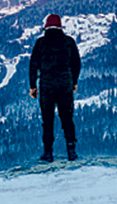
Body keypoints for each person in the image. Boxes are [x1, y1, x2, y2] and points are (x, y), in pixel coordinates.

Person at [29, 13, 81, 162]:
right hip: (65, 84)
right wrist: (74, 82)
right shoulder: (69, 42)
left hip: (47, 85)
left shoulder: (40, 43)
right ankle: (71, 151)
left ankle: (48, 153)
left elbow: (33, 66)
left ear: (46, 27)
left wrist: (33, 86)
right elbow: (76, 64)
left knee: (47, 119)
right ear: (60, 27)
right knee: (67, 118)